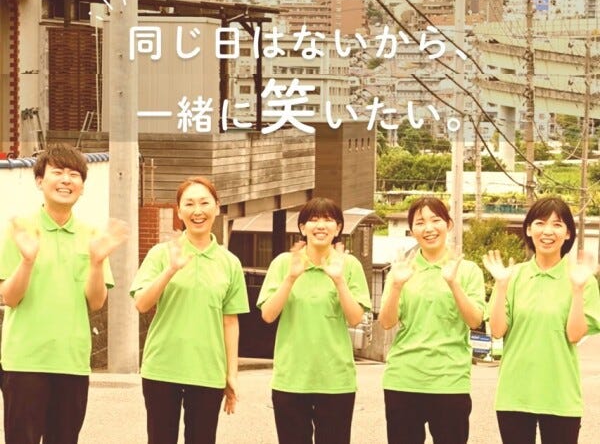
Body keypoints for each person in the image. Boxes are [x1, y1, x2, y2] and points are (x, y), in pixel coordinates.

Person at [0, 143, 128, 444]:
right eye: (57, 172)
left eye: (74, 174)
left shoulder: (92, 236)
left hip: (72, 360)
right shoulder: (21, 230)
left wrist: (96, 262)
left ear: (82, 187)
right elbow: (10, 298)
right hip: (25, 361)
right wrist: (27, 261)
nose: (66, 180)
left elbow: (96, 301)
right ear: (39, 181)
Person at [130, 176, 249, 444]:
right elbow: (142, 303)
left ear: (217, 207)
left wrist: (231, 373)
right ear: (179, 210)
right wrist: (170, 270)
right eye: (190, 204)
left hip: (208, 370)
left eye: (204, 203)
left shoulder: (229, 262)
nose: (198, 211)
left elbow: (230, 322)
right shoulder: (161, 253)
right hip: (162, 368)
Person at [483, 196, 600, 444]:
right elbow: (497, 331)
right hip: (514, 395)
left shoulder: (582, 279)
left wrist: (577, 289)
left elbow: (574, 335)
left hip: (561, 397)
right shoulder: (512, 276)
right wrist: (501, 286)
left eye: (557, 224)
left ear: (568, 234)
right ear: (528, 229)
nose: (548, 231)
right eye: (540, 223)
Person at [257, 197, 371, 444]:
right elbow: (268, 314)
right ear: (302, 227)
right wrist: (290, 278)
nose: (320, 225)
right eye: (313, 220)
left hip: (336, 380)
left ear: (338, 228)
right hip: (291, 379)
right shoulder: (284, 263)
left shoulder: (349, 265)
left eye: (328, 220)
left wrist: (339, 280)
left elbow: (355, 318)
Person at [379, 196, 485, 444]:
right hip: (403, 379)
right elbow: (386, 322)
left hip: (450, 381)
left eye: (435, 220)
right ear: (412, 229)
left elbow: (474, 321)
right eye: (420, 222)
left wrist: (454, 284)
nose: (428, 228)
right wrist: (396, 285)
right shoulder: (401, 269)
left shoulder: (467, 270)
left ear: (448, 224)